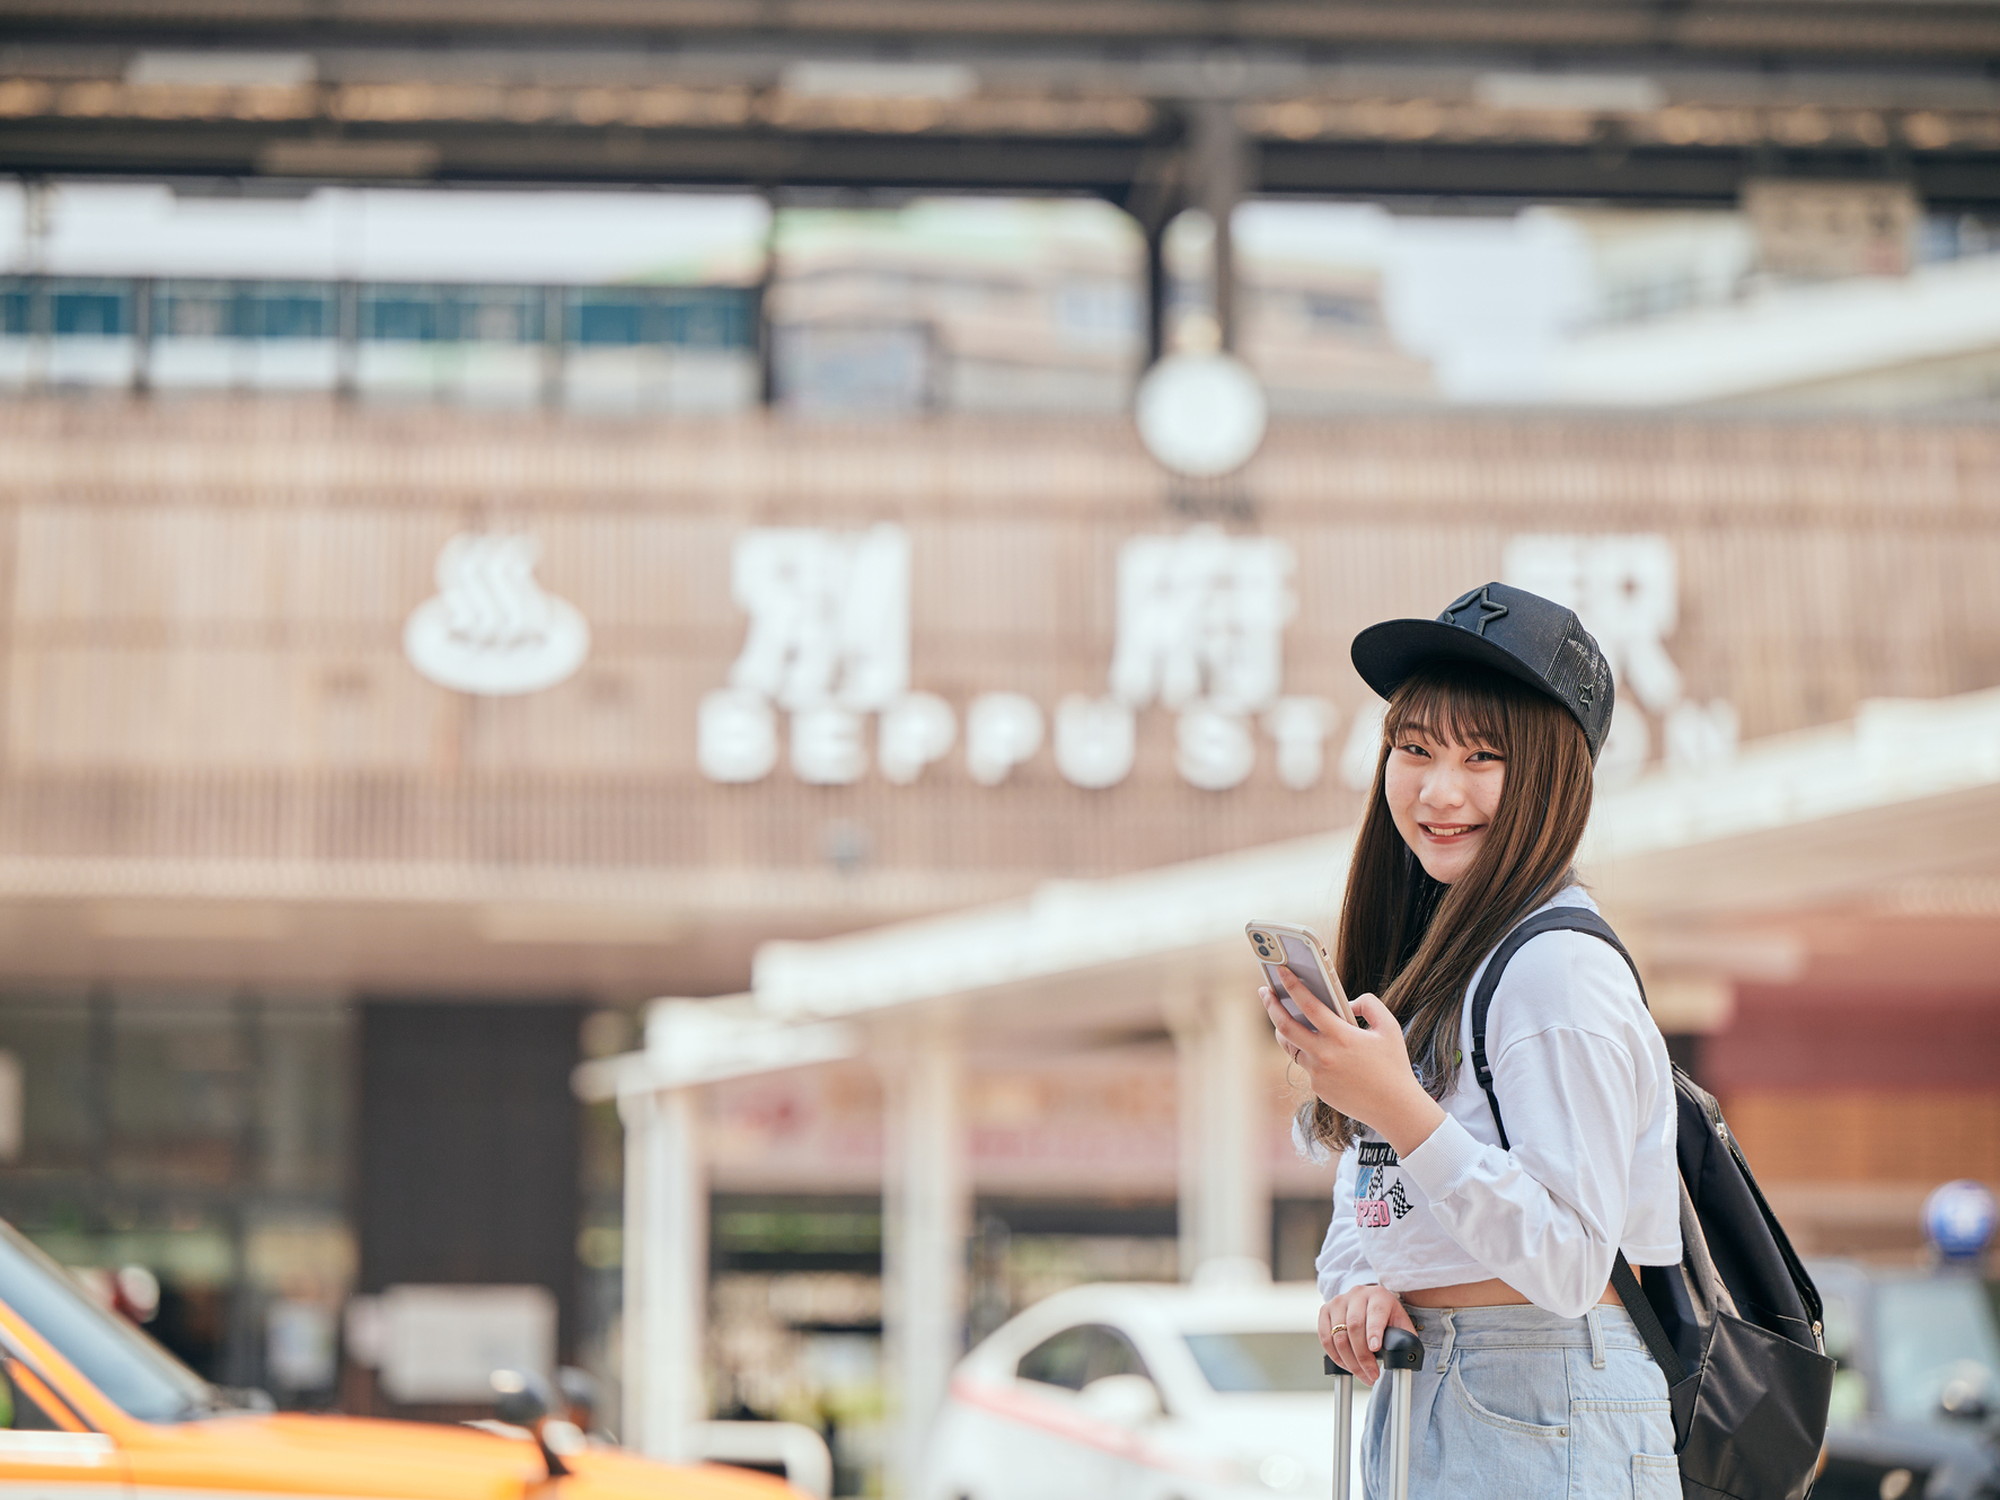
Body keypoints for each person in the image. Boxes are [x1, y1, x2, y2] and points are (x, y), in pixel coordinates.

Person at [1260, 583, 1682, 1498]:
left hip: (1544, 1386)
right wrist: (1358, 1282)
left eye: (1483, 757)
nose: (1438, 790)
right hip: (1450, 1385)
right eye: (1414, 749)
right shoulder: (1452, 961)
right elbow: (1379, 1181)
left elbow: (1571, 1260)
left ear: (1549, 780)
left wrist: (1398, 1107)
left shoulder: (1556, 968)